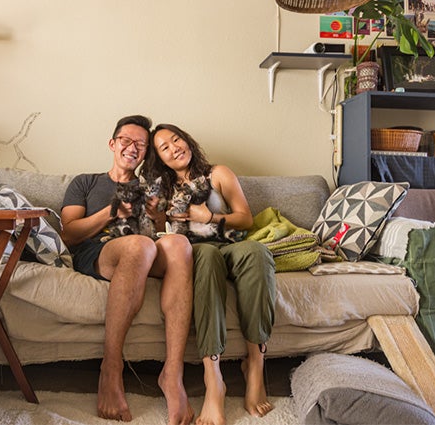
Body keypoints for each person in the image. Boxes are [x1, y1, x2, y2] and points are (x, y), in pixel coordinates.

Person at [60, 115, 195, 425]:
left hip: (144, 249)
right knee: (139, 246)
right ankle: (111, 367)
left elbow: (162, 229)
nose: (133, 148)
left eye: (141, 145)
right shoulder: (86, 182)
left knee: (178, 246)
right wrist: (110, 213)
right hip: (99, 251)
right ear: (113, 144)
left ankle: (172, 374)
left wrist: (156, 215)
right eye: (126, 141)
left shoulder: (150, 187)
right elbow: (69, 233)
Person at [143, 124, 276, 425]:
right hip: (194, 253)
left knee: (257, 252)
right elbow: (156, 230)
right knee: (205, 254)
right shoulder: (161, 189)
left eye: (177, 139)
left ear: (187, 140)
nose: (174, 147)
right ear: (160, 159)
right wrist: (154, 214)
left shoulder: (218, 174)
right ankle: (213, 378)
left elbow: (245, 218)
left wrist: (211, 216)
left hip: (230, 245)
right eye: (165, 147)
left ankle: (255, 365)